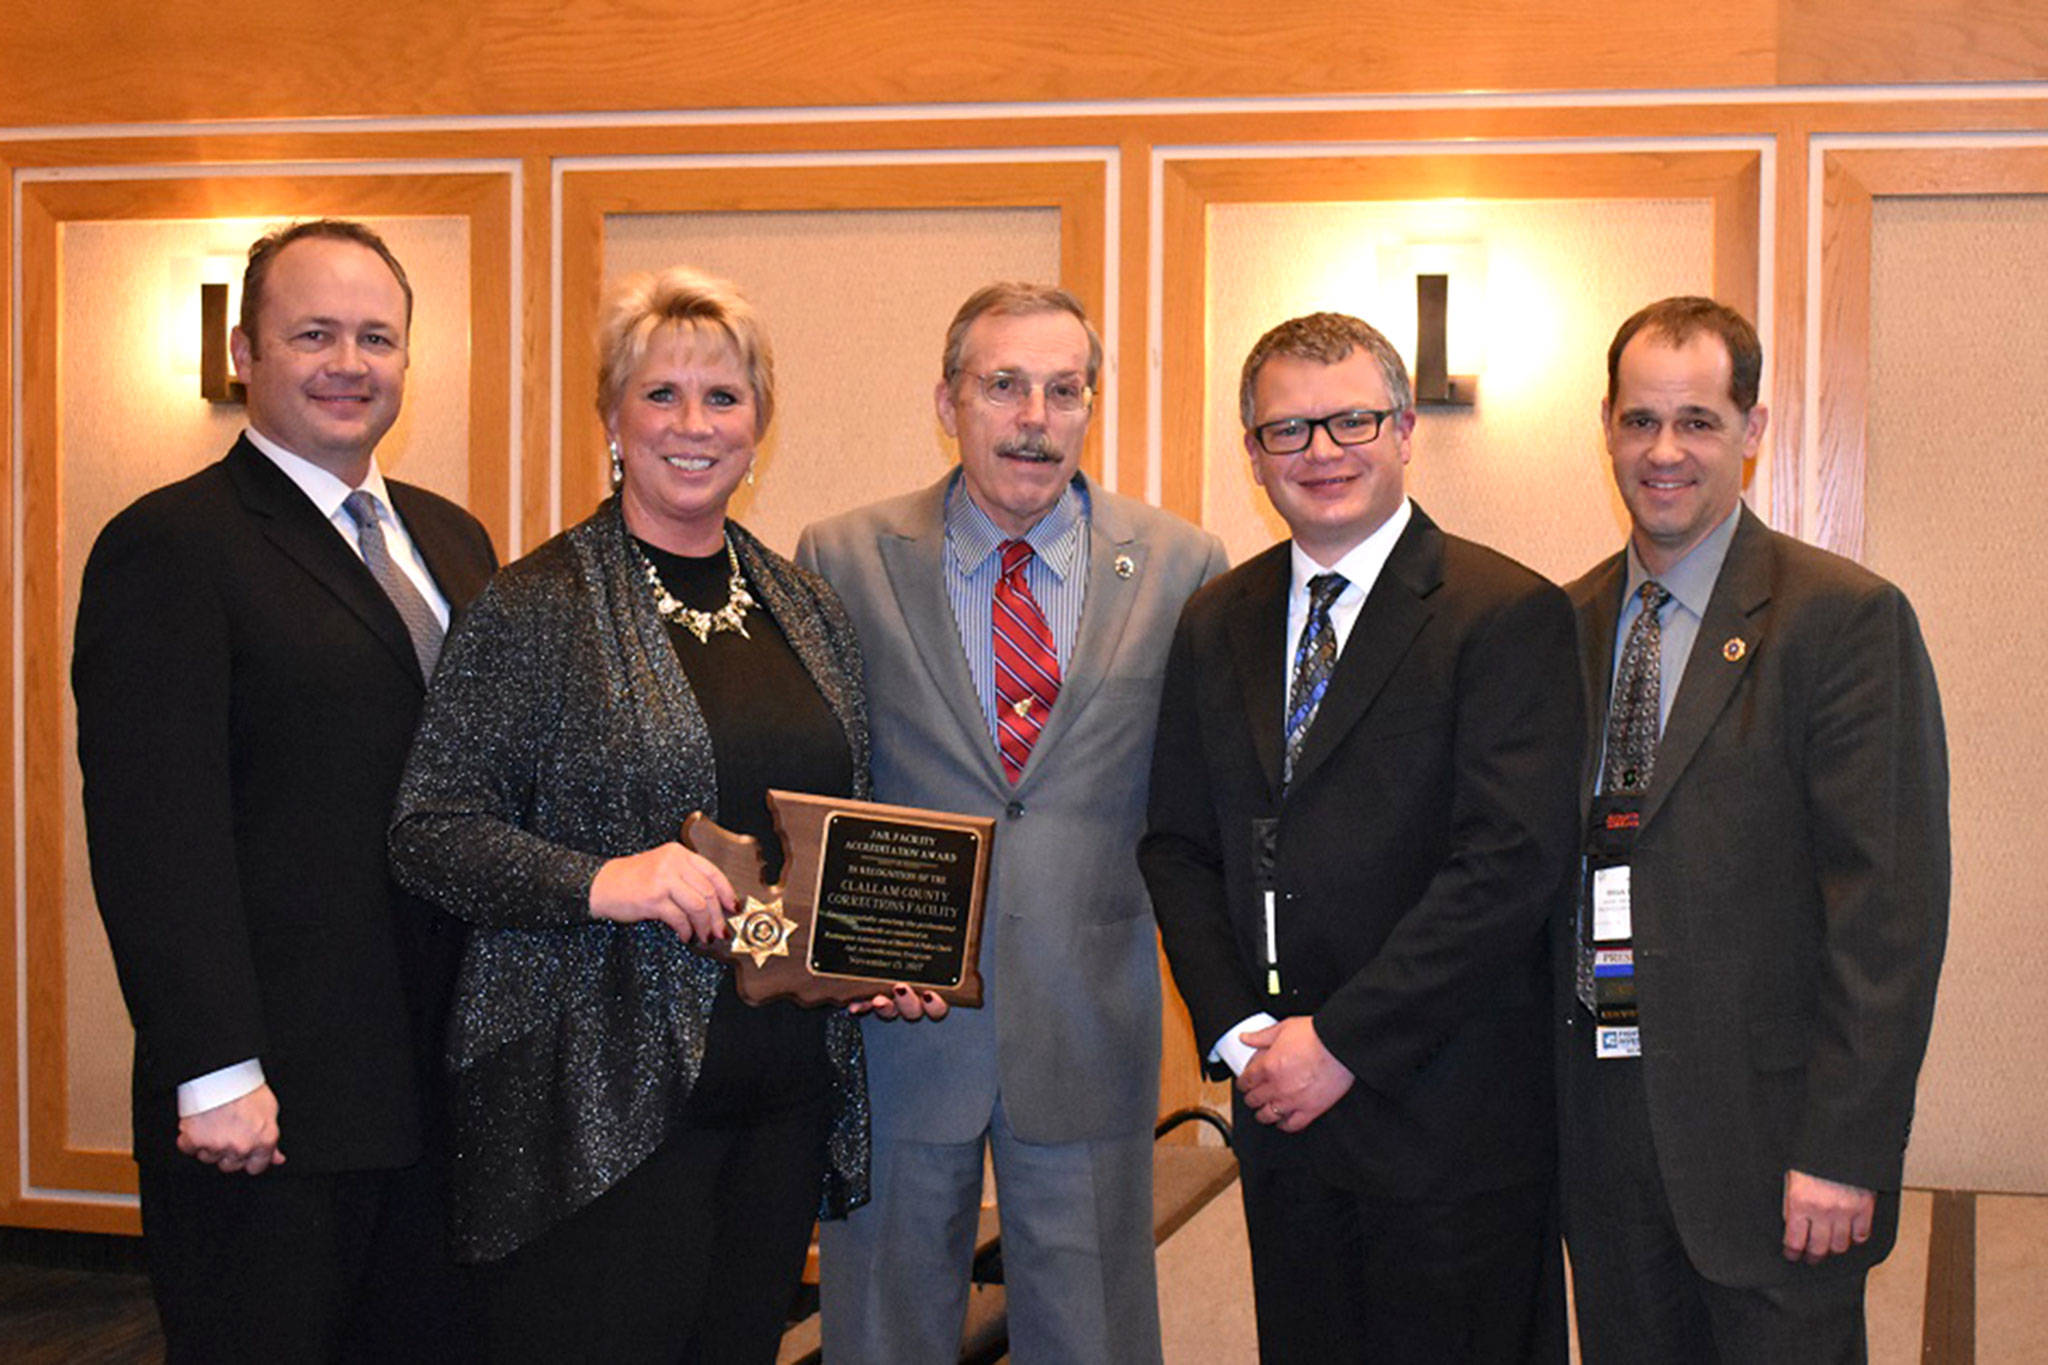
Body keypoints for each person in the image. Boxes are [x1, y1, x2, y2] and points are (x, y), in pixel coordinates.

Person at [388, 266, 932, 1364]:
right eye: (662, 396)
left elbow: (816, 840)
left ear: (758, 424)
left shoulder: (803, 605)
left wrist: (876, 947)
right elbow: (430, 830)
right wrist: (604, 880)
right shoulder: (535, 603)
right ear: (612, 419)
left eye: (723, 398)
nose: (694, 425)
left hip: (777, 1096)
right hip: (596, 1104)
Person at [72, 219, 498, 1363]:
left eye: (376, 337)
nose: (348, 363)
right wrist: (214, 1068)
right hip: (273, 1105)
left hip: (434, 1091)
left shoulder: (454, 543)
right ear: (245, 350)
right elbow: (156, 834)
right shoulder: (171, 545)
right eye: (313, 333)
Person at [797, 282, 1227, 1363]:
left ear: (1091, 406)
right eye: (1003, 387)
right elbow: (811, 780)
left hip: (1087, 1020)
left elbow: (1200, 810)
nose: (1034, 417)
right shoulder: (841, 556)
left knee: (1093, 1338)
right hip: (896, 1022)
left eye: (1063, 390)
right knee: (879, 1334)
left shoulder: (1182, 566)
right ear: (946, 400)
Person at [1139, 311, 1578, 1362]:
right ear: (1251, 453)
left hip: (1448, 1116)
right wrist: (1243, 1036)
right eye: (1287, 431)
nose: (1321, 453)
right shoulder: (1215, 620)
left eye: (1350, 421)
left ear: (1402, 429)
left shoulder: (1501, 610)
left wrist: (1340, 1044)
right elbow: (1177, 846)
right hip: (1283, 1111)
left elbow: (1506, 868)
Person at [1558, 296, 1948, 1363]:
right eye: (1640, 421)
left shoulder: (1841, 620)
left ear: (1754, 431)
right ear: (1605, 428)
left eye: (1697, 421)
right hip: (1603, 1129)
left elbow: (1888, 915)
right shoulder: (1562, 625)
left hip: (1774, 1149)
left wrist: (1844, 1149)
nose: (1664, 451)